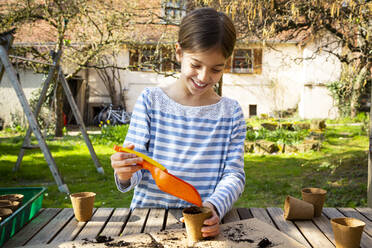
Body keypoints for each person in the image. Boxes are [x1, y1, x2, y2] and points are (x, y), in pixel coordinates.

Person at [111, 7, 246, 238]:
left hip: (200, 222)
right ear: (179, 53)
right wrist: (124, 172)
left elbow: (234, 174)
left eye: (216, 69)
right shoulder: (151, 101)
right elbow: (137, 165)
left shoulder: (230, 112)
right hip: (147, 220)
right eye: (196, 65)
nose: (204, 77)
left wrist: (213, 207)